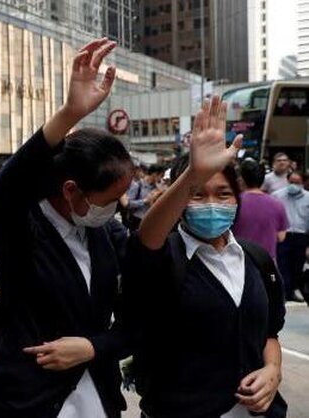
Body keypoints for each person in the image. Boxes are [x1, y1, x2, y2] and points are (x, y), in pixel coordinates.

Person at [0, 38, 130, 418]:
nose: (117, 207)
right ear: (71, 190)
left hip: (98, 400)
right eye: (110, 198)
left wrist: (94, 347)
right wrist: (69, 113)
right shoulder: (21, 227)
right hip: (29, 402)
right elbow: (7, 188)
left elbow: (141, 321)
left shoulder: (107, 236)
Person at [125, 96, 287, 417]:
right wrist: (192, 176)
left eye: (223, 193)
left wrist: (273, 369)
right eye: (198, 194)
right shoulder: (163, 256)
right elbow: (146, 237)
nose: (212, 202)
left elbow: (269, 332)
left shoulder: (255, 259)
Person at [233, 159, 289, 261]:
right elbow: (281, 237)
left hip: (238, 260)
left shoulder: (233, 203)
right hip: (267, 263)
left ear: (241, 179)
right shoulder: (277, 204)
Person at [272, 171, 309, 302]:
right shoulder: (277, 196)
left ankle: (293, 290)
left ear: (303, 183)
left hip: (301, 235)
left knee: (297, 265)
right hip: (283, 234)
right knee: (283, 265)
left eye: (297, 182)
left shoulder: (308, 198)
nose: (293, 185)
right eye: (291, 182)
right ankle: (284, 292)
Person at [124, 164, 164, 230]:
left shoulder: (157, 188)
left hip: (148, 220)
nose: (161, 179)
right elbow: (129, 203)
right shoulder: (137, 185)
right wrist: (145, 201)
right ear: (155, 174)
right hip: (136, 220)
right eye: (161, 176)